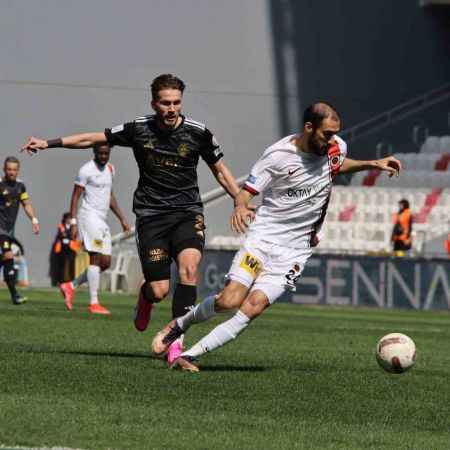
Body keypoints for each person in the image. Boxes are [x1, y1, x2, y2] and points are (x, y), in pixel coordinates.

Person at [151, 102, 403, 372]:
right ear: (309, 127)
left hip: (296, 250)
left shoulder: (335, 147)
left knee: (254, 306)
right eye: (326, 133)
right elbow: (246, 192)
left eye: (335, 133)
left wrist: (372, 163)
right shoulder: (278, 155)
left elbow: (337, 165)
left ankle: (189, 356)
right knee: (229, 300)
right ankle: (180, 324)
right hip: (264, 240)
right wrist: (240, 206)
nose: (333, 139)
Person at [22, 74, 240, 361]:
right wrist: (48, 143)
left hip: (187, 212)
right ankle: (146, 297)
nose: (172, 109)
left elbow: (220, 170)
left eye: (176, 102)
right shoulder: (138, 129)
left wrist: (240, 199)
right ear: (154, 103)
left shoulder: (198, 132)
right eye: (165, 103)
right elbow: (91, 138)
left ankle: (176, 342)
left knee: (189, 269)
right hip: (151, 216)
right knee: (160, 289)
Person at [58, 144, 131, 314]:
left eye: (106, 153)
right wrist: (74, 222)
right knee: (95, 257)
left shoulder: (111, 169)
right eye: (101, 153)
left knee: (105, 263)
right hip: (88, 217)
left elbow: (109, 195)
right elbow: (75, 197)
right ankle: (93, 303)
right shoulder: (86, 170)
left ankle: (70, 285)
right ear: (94, 153)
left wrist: (122, 218)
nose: (104, 156)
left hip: (102, 219)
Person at [0, 156, 39, 304]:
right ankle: (15, 295)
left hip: (9, 231)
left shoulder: (20, 187)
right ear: (4, 169)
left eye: (14, 170)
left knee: (6, 260)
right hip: (0, 230)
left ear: (18, 171)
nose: (11, 172)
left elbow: (26, 203)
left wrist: (34, 219)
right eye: (9, 169)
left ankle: (14, 295)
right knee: (9, 256)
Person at [50, 212, 79, 286]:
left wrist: (67, 235)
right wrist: (66, 235)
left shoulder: (74, 227)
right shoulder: (61, 226)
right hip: (62, 248)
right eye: (67, 218)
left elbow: (73, 236)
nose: (68, 220)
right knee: (61, 265)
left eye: (70, 218)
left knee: (71, 266)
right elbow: (61, 234)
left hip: (71, 248)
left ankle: (71, 282)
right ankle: (60, 281)